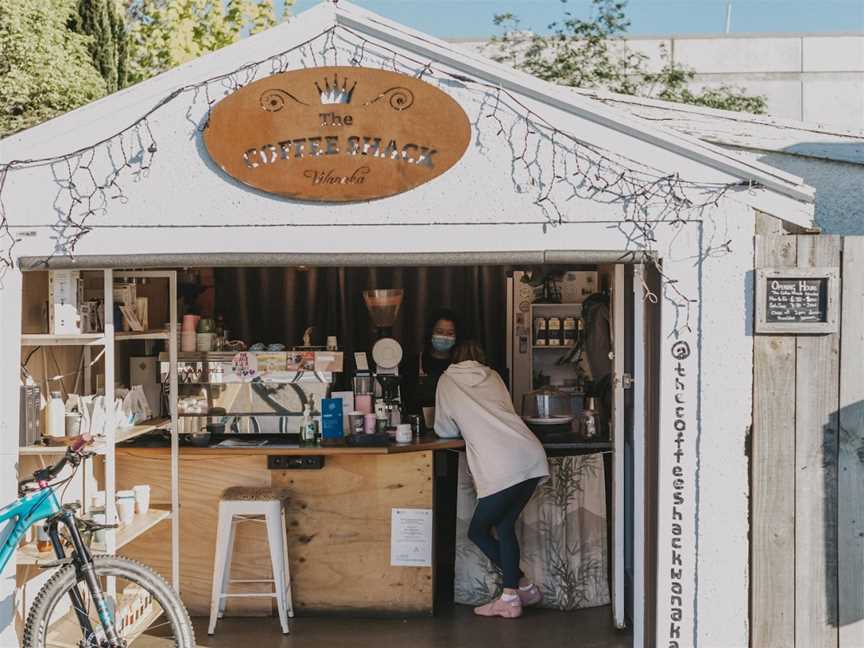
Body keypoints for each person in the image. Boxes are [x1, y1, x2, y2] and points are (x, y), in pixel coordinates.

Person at [435, 341, 550, 619]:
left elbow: (444, 428)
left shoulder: (447, 380)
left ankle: (513, 595)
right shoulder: (494, 376)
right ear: (481, 358)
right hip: (530, 454)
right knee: (505, 525)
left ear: (455, 357)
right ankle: (520, 589)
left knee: (477, 531)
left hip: (501, 465)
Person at [401, 308, 459, 422]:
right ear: (430, 333)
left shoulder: (460, 365)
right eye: (439, 332)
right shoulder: (414, 364)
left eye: (450, 333)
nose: (444, 337)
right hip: (418, 428)